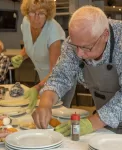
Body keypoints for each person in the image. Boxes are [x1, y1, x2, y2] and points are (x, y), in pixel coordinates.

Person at [32, 5, 122, 136]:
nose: (79, 54)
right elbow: (60, 76)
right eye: (76, 47)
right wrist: (45, 103)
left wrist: (91, 123)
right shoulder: (75, 42)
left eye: (86, 48)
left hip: (103, 118)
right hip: (105, 122)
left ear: (105, 35)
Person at [11, 0, 71, 111]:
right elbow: (31, 45)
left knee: (56, 114)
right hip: (43, 78)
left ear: (48, 14)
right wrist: (21, 55)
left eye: (41, 13)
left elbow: (55, 70)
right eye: (32, 12)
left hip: (60, 80)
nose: (36, 17)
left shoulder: (53, 32)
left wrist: (38, 87)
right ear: (27, 12)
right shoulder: (26, 22)